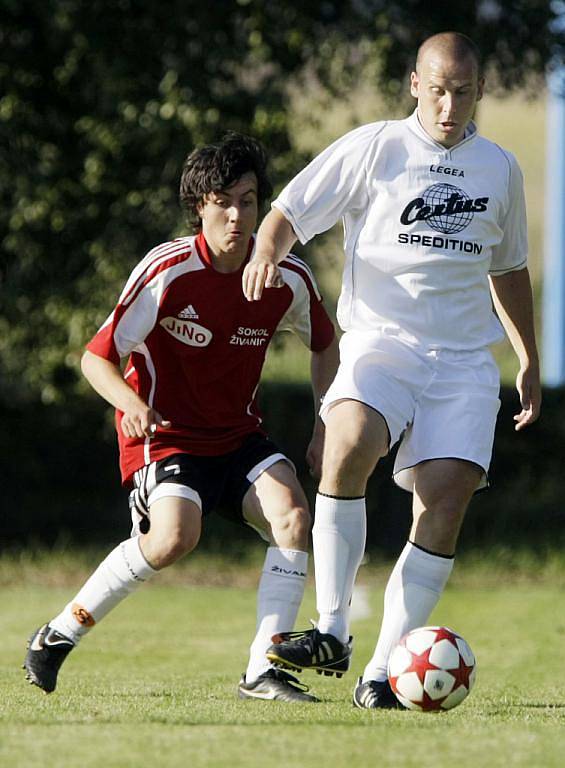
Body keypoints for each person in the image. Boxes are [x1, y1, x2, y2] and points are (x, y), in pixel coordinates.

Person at [242, 32, 541, 708]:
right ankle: (332, 629)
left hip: (463, 363)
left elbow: (509, 267)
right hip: (380, 343)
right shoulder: (375, 147)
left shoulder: (498, 168)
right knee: (345, 444)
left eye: (461, 92)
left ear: (479, 92)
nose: (447, 105)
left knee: (443, 504)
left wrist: (526, 357)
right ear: (414, 83)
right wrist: (266, 248)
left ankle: (381, 673)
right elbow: (290, 209)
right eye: (437, 90)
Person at [23, 132, 339, 703]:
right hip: (167, 439)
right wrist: (132, 404)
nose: (237, 215)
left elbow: (324, 343)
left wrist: (324, 423)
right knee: (172, 539)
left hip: (239, 436)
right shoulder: (167, 270)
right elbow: (97, 359)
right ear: (200, 207)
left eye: (248, 200)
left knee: (294, 515)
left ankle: (262, 671)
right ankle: (59, 632)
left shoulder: (286, 277)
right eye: (224, 202)